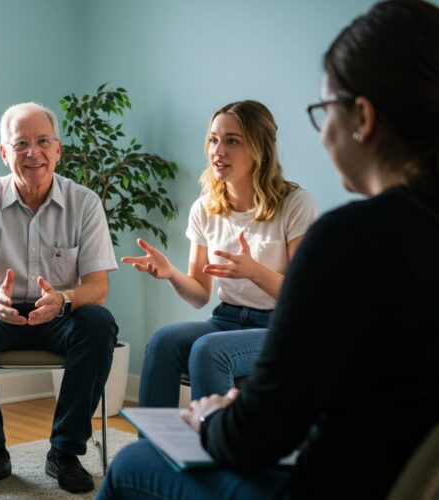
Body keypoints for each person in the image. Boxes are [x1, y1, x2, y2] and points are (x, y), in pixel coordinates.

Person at [99, 0, 439, 498]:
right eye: (213, 140)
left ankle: (171, 450)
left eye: (324, 111)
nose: (323, 132)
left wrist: (217, 417)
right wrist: (173, 273)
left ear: (361, 117)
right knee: (171, 341)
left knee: (131, 466)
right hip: (388, 472)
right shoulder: (408, 234)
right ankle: (163, 441)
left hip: (327, 484)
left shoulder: (347, 237)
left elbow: (254, 440)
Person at [0, 102, 119, 494]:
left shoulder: (85, 202)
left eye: (42, 142)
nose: (33, 153)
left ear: (58, 150)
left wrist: (65, 300)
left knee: (100, 323)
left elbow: (97, 287)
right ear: (5, 153)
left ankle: (65, 452)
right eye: (21, 143)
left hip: (59, 314)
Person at [123, 100, 317, 406]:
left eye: (232, 141)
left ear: (260, 149)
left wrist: (254, 270)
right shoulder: (205, 208)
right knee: (163, 341)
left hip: (281, 327)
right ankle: (156, 447)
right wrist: (171, 273)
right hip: (225, 320)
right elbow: (200, 294)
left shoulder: (295, 203)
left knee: (208, 349)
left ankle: (214, 448)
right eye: (213, 139)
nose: (218, 150)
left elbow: (303, 297)